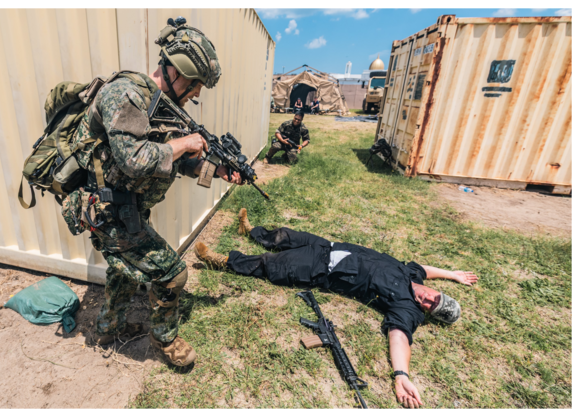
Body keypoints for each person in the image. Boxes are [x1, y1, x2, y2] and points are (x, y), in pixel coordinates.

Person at [59, 17, 244, 367]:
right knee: (173, 273)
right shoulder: (126, 95)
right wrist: (184, 143)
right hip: (105, 212)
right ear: (177, 71)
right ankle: (166, 341)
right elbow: (134, 160)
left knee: (125, 271)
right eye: (195, 84)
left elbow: (173, 161)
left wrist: (214, 170)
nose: (197, 94)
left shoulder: (162, 107)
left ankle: (106, 327)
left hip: (125, 210)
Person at [195, 209, 473, 409]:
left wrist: (401, 374)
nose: (426, 300)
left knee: (272, 265)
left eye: (430, 307)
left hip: (323, 270)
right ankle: (251, 231)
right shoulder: (414, 275)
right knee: (285, 236)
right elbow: (425, 268)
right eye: (434, 298)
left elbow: (400, 336)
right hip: (328, 247)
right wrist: (453, 273)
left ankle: (224, 262)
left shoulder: (406, 308)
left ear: (425, 313)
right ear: (438, 291)